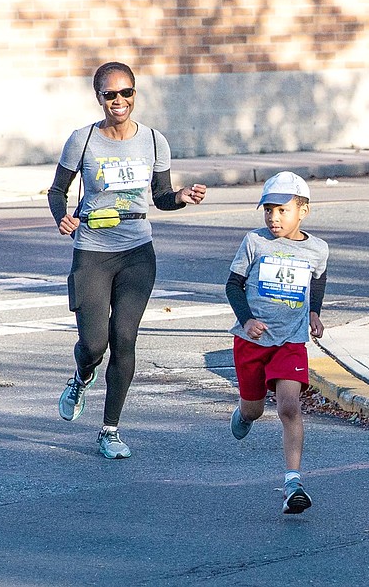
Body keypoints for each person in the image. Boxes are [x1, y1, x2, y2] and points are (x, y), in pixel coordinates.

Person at [48, 61, 206, 459]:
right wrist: (61, 217)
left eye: (126, 93)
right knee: (93, 343)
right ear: (98, 97)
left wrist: (181, 198)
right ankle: (81, 376)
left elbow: (162, 197)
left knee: (125, 339)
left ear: (135, 94)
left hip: (137, 253)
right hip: (92, 253)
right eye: (110, 94)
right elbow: (56, 191)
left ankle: (110, 430)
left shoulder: (154, 140)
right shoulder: (82, 140)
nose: (119, 101)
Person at [225, 171, 328, 513]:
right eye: (268, 210)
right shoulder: (254, 242)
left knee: (288, 407)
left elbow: (317, 280)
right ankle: (245, 413)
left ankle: (293, 483)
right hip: (252, 341)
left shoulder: (317, 249)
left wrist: (315, 312)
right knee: (254, 409)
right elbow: (232, 286)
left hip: (291, 341)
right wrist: (247, 320)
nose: (273, 217)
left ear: (303, 211)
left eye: (282, 210)